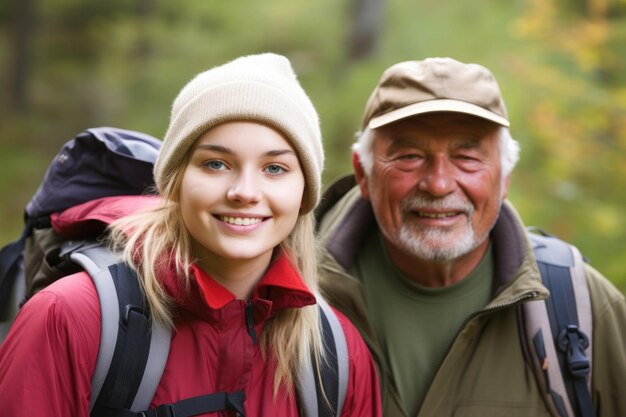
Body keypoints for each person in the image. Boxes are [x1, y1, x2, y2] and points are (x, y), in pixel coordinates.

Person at [0, 53, 381, 417]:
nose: (245, 191)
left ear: (304, 192)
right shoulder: (69, 318)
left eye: (275, 168)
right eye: (216, 163)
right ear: (175, 181)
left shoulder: (337, 355)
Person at [316, 57, 626, 417]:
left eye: (467, 157)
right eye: (410, 156)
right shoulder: (287, 295)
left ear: (505, 177)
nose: (439, 184)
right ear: (363, 172)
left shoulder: (580, 307)